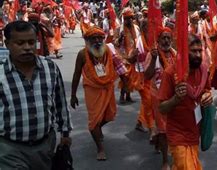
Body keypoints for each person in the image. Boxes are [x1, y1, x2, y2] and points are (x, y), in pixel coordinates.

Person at [0, 21, 72, 169]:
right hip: (9, 148)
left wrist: (65, 132)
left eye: (31, 42)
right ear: (7, 44)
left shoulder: (50, 67)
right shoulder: (1, 74)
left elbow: (60, 102)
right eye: (20, 43)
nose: (27, 47)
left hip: (45, 146)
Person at [70, 26, 128, 160]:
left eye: (99, 38)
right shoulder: (82, 54)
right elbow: (76, 74)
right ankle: (100, 148)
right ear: (87, 40)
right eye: (93, 38)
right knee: (94, 120)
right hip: (92, 90)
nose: (97, 41)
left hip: (108, 87)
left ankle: (96, 128)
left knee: (109, 115)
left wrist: (125, 82)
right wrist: (73, 95)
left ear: (103, 39)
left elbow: (119, 65)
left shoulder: (108, 50)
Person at [157, 34, 213, 170]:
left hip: (195, 130)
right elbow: (161, 108)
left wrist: (207, 97)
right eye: (194, 51)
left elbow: (207, 91)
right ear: (183, 51)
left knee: (184, 165)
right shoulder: (170, 73)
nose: (198, 55)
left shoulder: (204, 71)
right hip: (177, 132)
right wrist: (176, 99)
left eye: (200, 51)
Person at [144, 26, 176, 168]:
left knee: (171, 127)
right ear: (158, 40)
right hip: (158, 97)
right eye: (163, 37)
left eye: (168, 37)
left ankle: (157, 139)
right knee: (163, 128)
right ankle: (165, 161)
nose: (166, 40)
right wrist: (154, 59)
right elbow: (147, 75)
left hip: (173, 97)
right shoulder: (152, 55)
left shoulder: (175, 54)